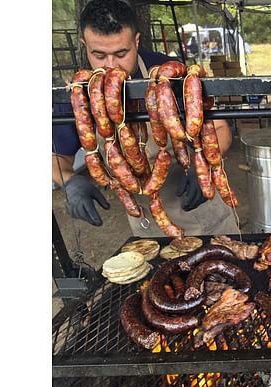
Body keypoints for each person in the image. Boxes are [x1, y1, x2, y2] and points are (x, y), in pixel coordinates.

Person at [52, 0, 238, 237]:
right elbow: (56, 158)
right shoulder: (77, 93)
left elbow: (221, 130)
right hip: (146, 227)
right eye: (98, 54)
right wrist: (69, 182)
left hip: (204, 218)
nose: (111, 66)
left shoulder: (169, 74)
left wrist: (203, 167)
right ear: (84, 45)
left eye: (121, 53)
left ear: (136, 41)